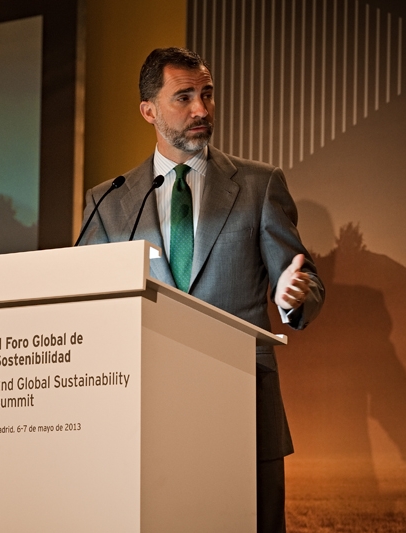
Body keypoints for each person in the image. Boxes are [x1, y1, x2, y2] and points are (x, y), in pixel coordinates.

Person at [78, 48, 324, 533]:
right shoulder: (109, 201)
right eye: (184, 97)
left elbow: (303, 280)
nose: (202, 110)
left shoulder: (258, 185)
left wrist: (295, 294)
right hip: (144, 424)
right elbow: (84, 304)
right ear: (149, 110)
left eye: (207, 95)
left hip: (243, 417)